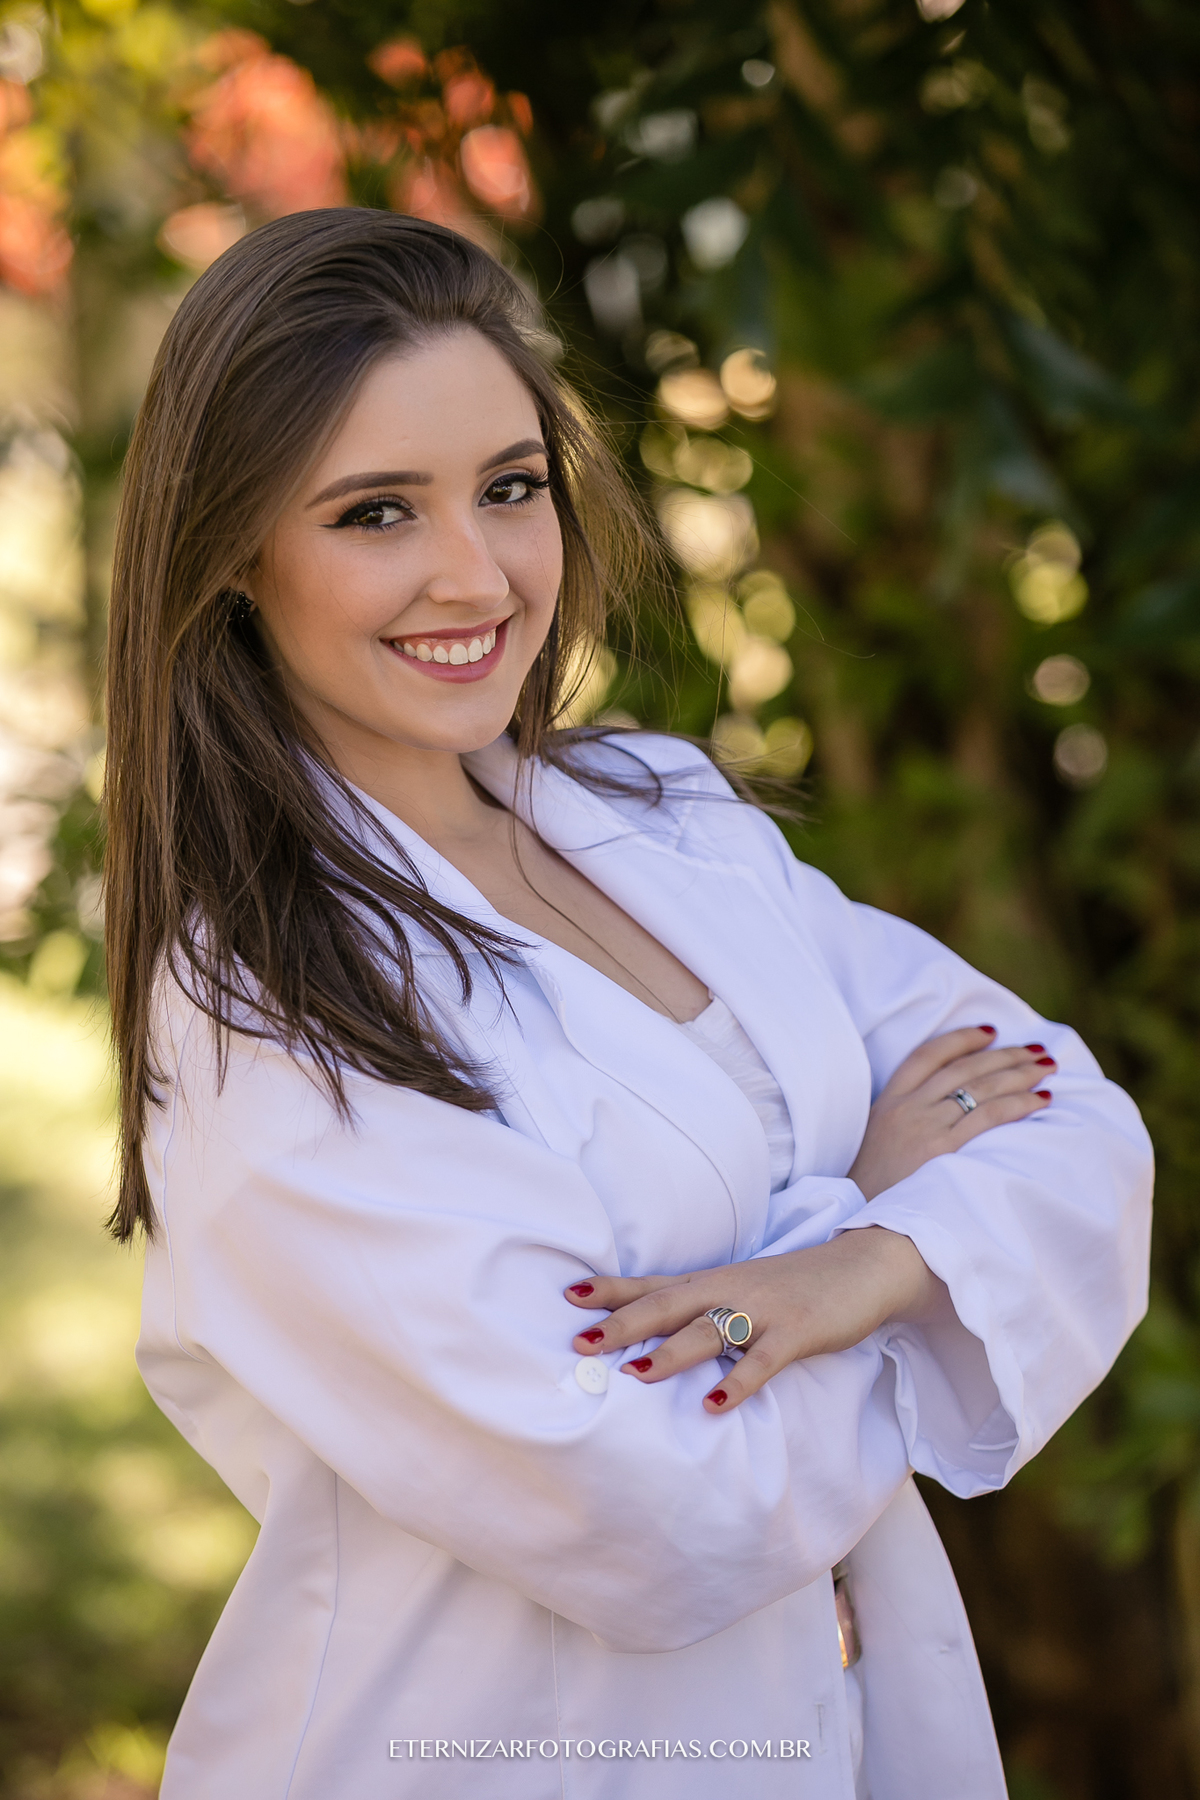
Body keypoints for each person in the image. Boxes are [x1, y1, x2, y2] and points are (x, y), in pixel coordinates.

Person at [104, 208, 1153, 1800]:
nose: (477, 574)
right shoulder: (268, 1010)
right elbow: (657, 1508)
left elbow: (1066, 1120)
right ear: (234, 552)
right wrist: (891, 1225)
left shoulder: (658, 811)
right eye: (377, 512)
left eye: (510, 488)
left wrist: (839, 1276)